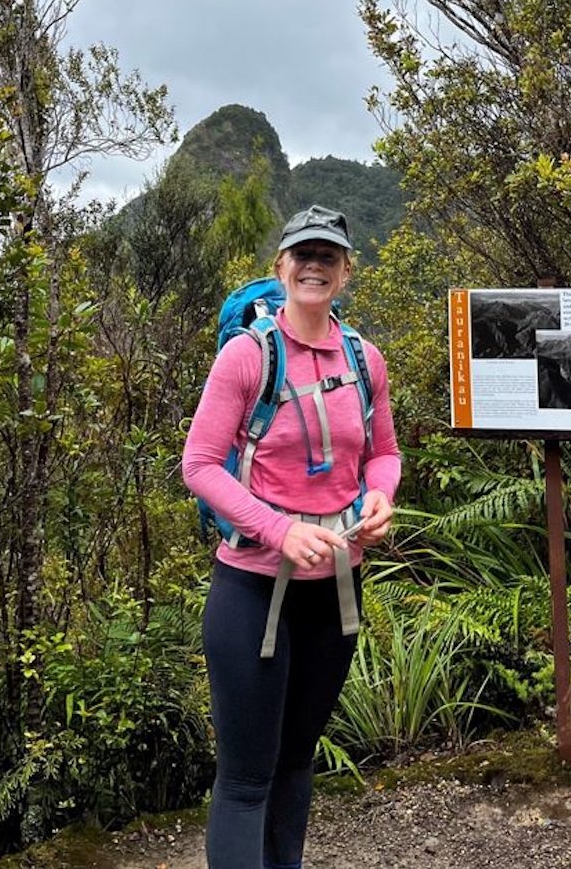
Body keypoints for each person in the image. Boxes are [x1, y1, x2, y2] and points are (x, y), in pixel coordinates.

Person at [182, 205, 401, 869]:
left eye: (328, 256)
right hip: (251, 590)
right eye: (302, 255)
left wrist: (381, 496)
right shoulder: (249, 358)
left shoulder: (366, 360)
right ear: (281, 268)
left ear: (344, 273)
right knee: (248, 779)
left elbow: (382, 454)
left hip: (335, 592)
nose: (314, 265)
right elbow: (198, 464)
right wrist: (280, 530)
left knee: (297, 763)